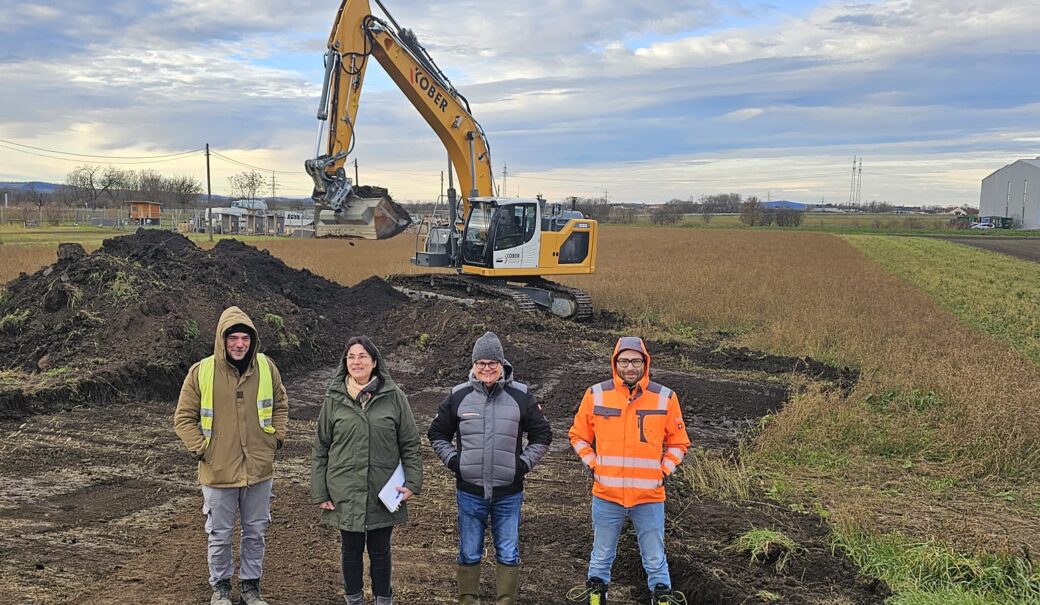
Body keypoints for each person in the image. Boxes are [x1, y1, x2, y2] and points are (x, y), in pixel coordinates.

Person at [174, 306, 289, 605]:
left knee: (255, 532)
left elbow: (281, 404)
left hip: (259, 470)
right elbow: (183, 417)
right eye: (233, 338)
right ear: (221, 340)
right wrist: (202, 448)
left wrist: (275, 439)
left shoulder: (266, 368)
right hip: (218, 470)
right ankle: (221, 588)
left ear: (253, 341)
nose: (239, 344)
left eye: (245, 339)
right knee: (219, 535)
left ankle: (251, 587)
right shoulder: (201, 372)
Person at [428, 331, 552, 605]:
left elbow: (543, 434)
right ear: (473, 365)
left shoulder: (521, 396)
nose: (487, 368)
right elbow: (437, 433)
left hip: (508, 493)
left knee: (508, 553)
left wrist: (522, 465)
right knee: (469, 552)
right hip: (469, 492)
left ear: (502, 364)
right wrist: (454, 461)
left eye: (492, 363)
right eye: (481, 363)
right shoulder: (458, 396)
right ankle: (468, 600)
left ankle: (505, 600)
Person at [568, 337, 691, 605]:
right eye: (624, 361)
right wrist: (593, 464)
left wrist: (662, 473)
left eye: (636, 361)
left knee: (655, 558)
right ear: (615, 364)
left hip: (649, 497)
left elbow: (680, 443)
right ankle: (596, 598)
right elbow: (578, 436)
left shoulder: (665, 398)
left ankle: (662, 599)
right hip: (607, 495)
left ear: (645, 363)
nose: (630, 367)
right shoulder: (596, 394)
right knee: (601, 555)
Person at [311, 336, 423, 605]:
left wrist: (412, 482)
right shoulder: (334, 399)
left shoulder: (395, 398)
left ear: (374, 362)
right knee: (350, 550)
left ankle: (383, 600)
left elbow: (410, 444)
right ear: (345, 363)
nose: (356, 361)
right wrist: (320, 490)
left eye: (362, 356)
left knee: (381, 551)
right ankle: (354, 600)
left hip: (383, 490)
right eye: (351, 357)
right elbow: (320, 447)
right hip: (344, 489)